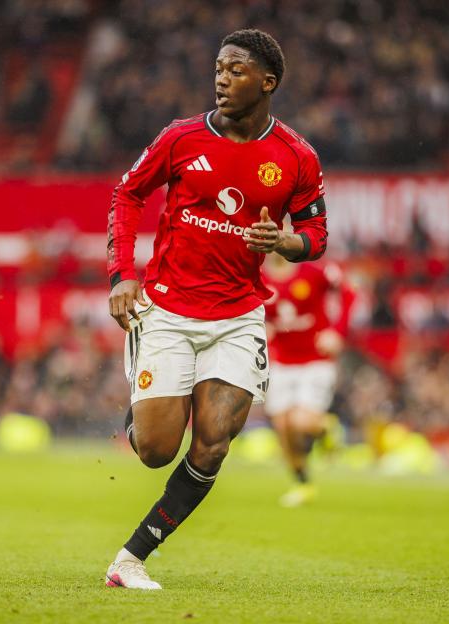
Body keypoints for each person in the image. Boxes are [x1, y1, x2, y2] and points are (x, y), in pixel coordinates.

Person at [104, 29, 328, 590]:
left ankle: (130, 558)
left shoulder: (296, 156)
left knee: (213, 443)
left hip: (237, 316)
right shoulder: (181, 138)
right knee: (157, 451)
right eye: (218, 69)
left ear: (267, 82)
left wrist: (283, 244)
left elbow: (316, 235)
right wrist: (121, 276)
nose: (221, 79)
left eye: (235, 70)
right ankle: (144, 414)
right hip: (168, 311)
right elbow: (127, 194)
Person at [262, 252, 352, 507]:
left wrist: (337, 331)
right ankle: (302, 483)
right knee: (282, 426)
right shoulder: (258, 277)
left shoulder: (314, 272)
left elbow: (349, 291)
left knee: (301, 422)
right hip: (281, 361)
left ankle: (328, 428)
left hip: (316, 361)